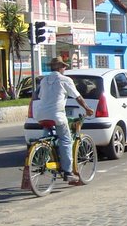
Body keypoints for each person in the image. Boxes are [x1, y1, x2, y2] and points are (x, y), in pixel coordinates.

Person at [33, 56, 94, 185]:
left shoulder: (44, 80)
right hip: (57, 115)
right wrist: (87, 108)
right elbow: (78, 97)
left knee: (47, 136)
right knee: (66, 140)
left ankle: (42, 156)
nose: (65, 68)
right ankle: (68, 173)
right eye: (64, 66)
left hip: (40, 115)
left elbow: (40, 96)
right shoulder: (65, 80)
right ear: (60, 67)